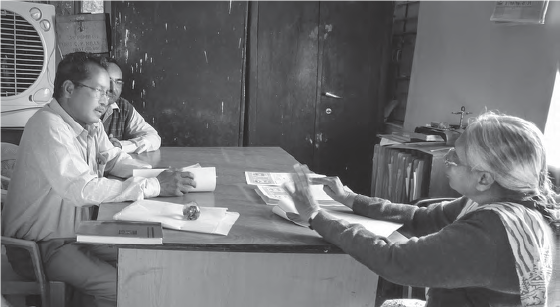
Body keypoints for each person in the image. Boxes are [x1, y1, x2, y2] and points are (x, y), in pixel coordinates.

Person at [286, 111, 556, 307]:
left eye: (455, 157)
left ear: (484, 178)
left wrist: (315, 215)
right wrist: (350, 198)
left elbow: (397, 261)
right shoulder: (498, 201)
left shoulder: (493, 232)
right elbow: (421, 217)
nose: (447, 160)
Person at [0, 52, 196, 307]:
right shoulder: (48, 126)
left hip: (77, 233)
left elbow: (113, 158)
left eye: (110, 91)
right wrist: (154, 186)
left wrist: (157, 175)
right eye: (100, 91)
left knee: (149, 255)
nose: (107, 99)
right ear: (69, 88)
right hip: (40, 247)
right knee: (122, 287)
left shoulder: (89, 123)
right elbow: (81, 189)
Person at [100, 58, 161, 154]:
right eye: (108, 80)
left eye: (118, 82)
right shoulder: (81, 108)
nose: (113, 88)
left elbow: (153, 138)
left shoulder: (123, 107)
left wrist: (120, 146)